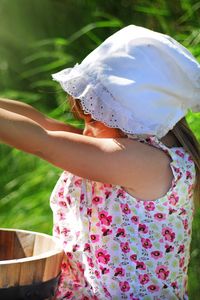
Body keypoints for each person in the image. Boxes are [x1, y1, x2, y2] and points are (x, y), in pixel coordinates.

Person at [0, 25, 199, 300]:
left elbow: (42, 140)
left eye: (94, 118)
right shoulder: (127, 149)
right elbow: (43, 123)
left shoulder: (144, 163)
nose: (85, 130)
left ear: (129, 114)